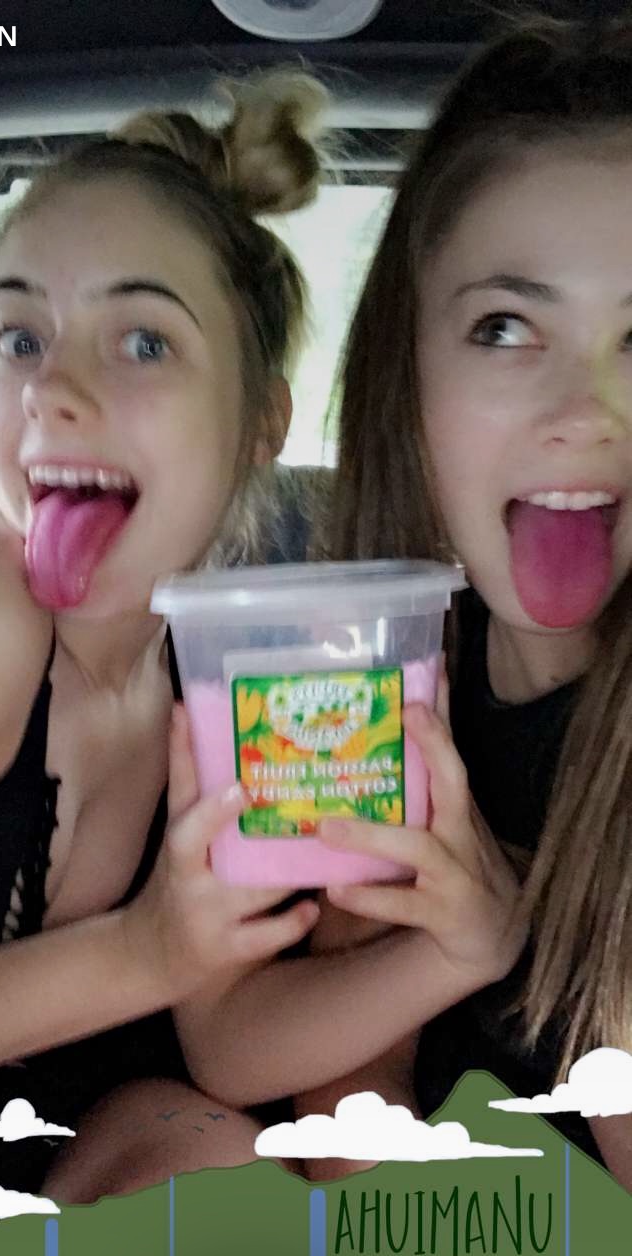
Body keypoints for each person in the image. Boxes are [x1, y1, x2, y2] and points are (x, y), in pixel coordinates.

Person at [175, 15, 632, 1191]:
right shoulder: (392, 664)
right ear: (407, 369)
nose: (584, 408)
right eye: (505, 327)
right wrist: (469, 945)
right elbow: (332, 1087)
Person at [0, 69, 328, 1249]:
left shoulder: (227, 675)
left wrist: (471, 929)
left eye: (142, 341)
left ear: (261, 422)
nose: (55, 390)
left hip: (32, 1168)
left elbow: (228, 1045)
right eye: (18, 336)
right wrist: (141, 951)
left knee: (227, 1169)